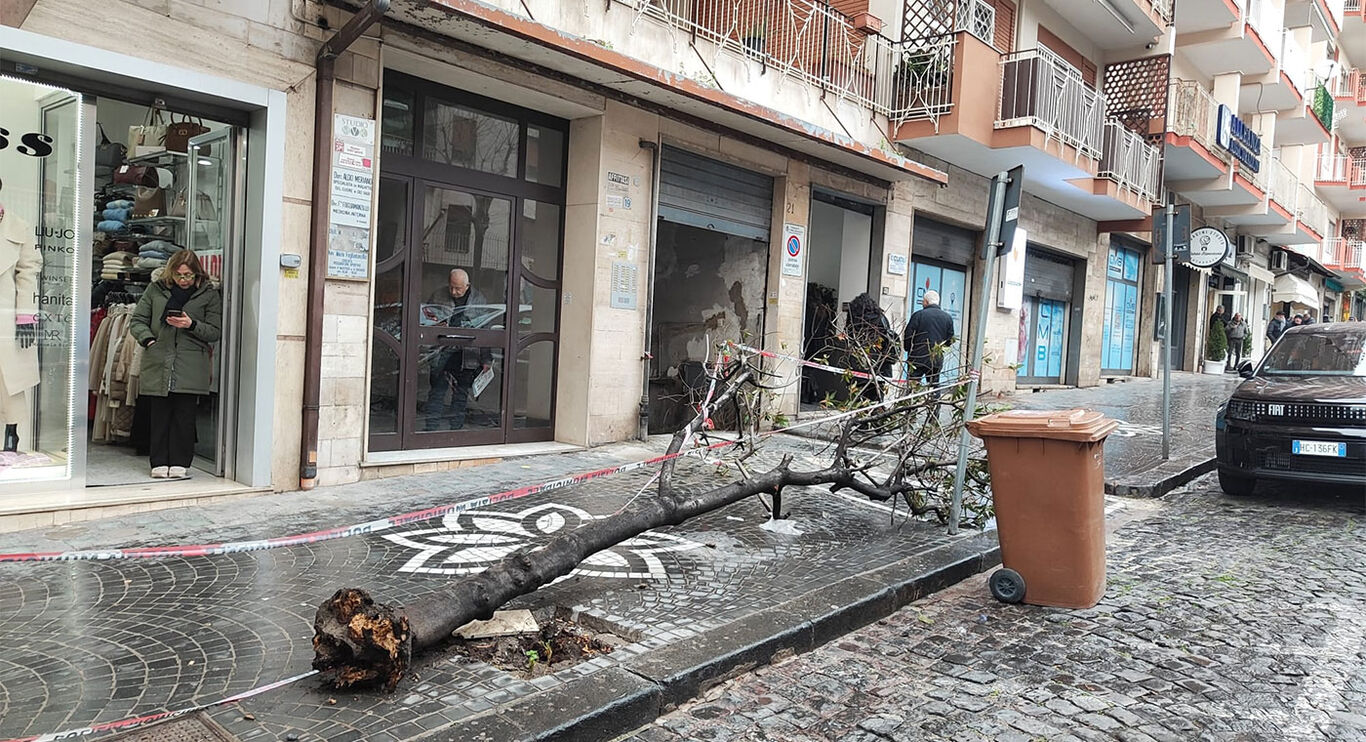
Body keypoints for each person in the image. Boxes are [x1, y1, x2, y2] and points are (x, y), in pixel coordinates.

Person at [130, 249, 221, 478]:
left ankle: (180, 462)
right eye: (180, 275)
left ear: (197, 274)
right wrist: (149, 340)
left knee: (184, 417)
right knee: (159, 415)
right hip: (158, 358)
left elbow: (214, 331)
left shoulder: (208, 295)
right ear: (171, 273)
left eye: (188, 275)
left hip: (191, 363)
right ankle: (158, 462)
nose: (184, 280)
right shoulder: (156, 290)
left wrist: (190, 324)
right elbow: (138, 320)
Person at [424, 268, 491, 431]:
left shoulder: (479, 299)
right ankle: (431, 428)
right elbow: (426, 317)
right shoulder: (438, 295)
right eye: (451, 287)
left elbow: (485, 329)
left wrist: (486, 359)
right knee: (437, 392)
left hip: (467, 353)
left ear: (467, 286)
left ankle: (456, 429)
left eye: (458, 288)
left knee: (461, 395)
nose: (454, 291)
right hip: (441, 351)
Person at [844, 292, 897, 400]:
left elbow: (849, 335)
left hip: (859, 363)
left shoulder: (854, 318)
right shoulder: (881, 318)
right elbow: (888, 338)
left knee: (859, 399)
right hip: (880, 365)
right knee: (877, 398)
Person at [903, 289, 956, 389]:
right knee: (934, 385)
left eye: (923, 301)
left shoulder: (918, 315)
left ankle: (912, 403)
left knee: (913, 386)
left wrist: (909, 349)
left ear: (926, 302)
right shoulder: (947, 318)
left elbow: (908, 335)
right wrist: (941, 348)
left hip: (917, 357)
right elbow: (950, 339)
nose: (922, 303)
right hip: (936, 358)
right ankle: (934, 403)